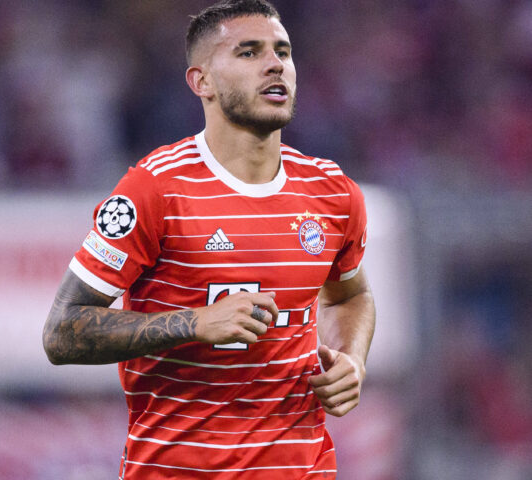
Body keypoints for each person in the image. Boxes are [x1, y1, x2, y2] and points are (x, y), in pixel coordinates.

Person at [43, 0, 375, 478]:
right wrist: (194, 323)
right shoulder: (155, 189)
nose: (274, 64)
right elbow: (61, 332)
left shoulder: (333, 192)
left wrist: (351, 359)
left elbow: (350, 296)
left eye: (283, 51)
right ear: (202, 82)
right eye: (249, 52)